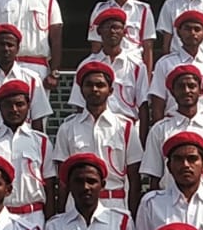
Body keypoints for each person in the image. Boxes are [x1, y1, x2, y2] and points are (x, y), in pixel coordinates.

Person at [51, 62, 144, 213]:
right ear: (81, 90)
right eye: (89, 85)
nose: (94, 89)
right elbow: (63, 181)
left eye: (100, 85)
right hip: (76, 207)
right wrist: (60, 215)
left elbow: (134, 178)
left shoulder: (125, 127)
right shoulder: (67, 128)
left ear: (110, 90)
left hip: (113, 205)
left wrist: (133, 215)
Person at [142, 65, 203, 193]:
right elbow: (154, 178)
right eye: (180, 87)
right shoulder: (159, 130)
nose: (187, 90)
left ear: (200, 91)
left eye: (192, 86)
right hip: (167, 206)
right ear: (172, 92)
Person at [0, 80, 52, 219]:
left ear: (28, 106)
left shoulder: (41, 142)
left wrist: (49, 220)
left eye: (19, 104)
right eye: (7, 105)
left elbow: (49, 185)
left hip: (33, 215)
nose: (14, 109)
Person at [149, 9, 203, 126]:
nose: (192, 33)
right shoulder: (164, 64)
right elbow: (157, 106)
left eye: (197, 29)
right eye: (187, 29)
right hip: (174, 126)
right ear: (179, 33)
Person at [68, 9, 151, 123]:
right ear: (99, 31)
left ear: (124, 32)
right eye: (107, 27)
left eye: (116, 27)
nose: (112, 31)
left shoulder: (137, 66)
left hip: (127, 128)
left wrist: (142, 140)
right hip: (95, 125)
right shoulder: (86, 65)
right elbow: (80, 105)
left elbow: (143, 106)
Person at [0, 24, 54, 131]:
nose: (6, 49)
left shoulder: (32, 79)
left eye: (10, 45)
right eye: (1, 44)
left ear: (17, 49)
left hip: (22, 141)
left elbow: (37, 120)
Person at [88, 0, 157, 68]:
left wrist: (147, 80)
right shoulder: (100, 9)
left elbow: (148, 47)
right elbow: (96, 45)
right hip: (107, 64)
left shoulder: (143, 9)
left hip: (135, 66)